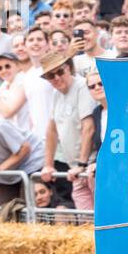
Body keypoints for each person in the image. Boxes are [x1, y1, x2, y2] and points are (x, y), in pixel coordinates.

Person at [39, 52, 96, 210]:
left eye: (59, 72)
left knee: (101, 219)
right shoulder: (56, 94)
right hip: (76, 169)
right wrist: (48, 164)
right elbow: (51, 131)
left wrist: (82, 163)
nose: (56, 78)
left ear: (69, 68)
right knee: (86, 221)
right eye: (51, 75)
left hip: (91, 166)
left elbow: (89, 127)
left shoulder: (82, 86)